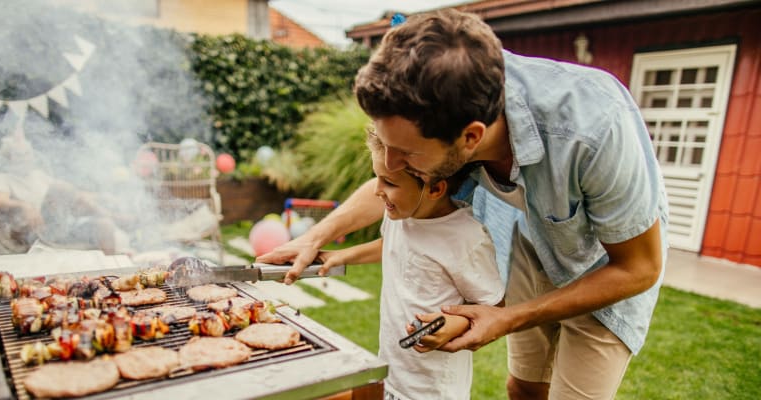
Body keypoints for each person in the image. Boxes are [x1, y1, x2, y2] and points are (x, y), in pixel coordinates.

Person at [258, 9, 668, 400]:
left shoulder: (594, 128)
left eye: (406, 154)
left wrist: (509, 317)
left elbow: (639, 267)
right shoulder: (450, 100)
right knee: (523, 390)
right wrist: (316, 236)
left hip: (607, 267)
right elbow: (392, 180)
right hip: (532, 241)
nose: (391, 165)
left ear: (471, 138)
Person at [315, 134, 504, 399]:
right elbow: (393, 247)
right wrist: (343, 255)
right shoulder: (400, 214)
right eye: (378, 177)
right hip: (393, 373)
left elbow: (494, 306)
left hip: (432, 389)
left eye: (389, 182)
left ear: (435, 189)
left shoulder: (465, 238)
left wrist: (456, 324)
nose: (378, 190)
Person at [0, 136, 132, 255]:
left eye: (28, 153)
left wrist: (101, 196)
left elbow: (72, 194)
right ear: (9, 158)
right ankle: (113, 216)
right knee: (60, 187)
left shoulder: (38, 175)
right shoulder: (4, 178)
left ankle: (112, 273)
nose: (26, 158)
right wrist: (24, 205)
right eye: (20, 154)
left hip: (58, 226)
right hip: (32, 229)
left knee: (104, 225)